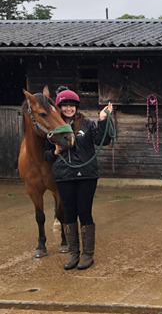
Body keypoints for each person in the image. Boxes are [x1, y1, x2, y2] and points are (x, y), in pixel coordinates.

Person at [43, 86, 113, 270]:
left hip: (86, 175)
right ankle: (73, 253)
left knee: (85, 212)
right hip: (64, 176)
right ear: (59, 107)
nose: (68, 108)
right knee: (69, 213)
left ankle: (87, 255)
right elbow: (47, 156)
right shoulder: (53, 127)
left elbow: (103, 140)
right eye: (64, 105)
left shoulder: (88, 124)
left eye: (71, 105)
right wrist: (55, 150)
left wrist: (103, 120)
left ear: (76, 107)